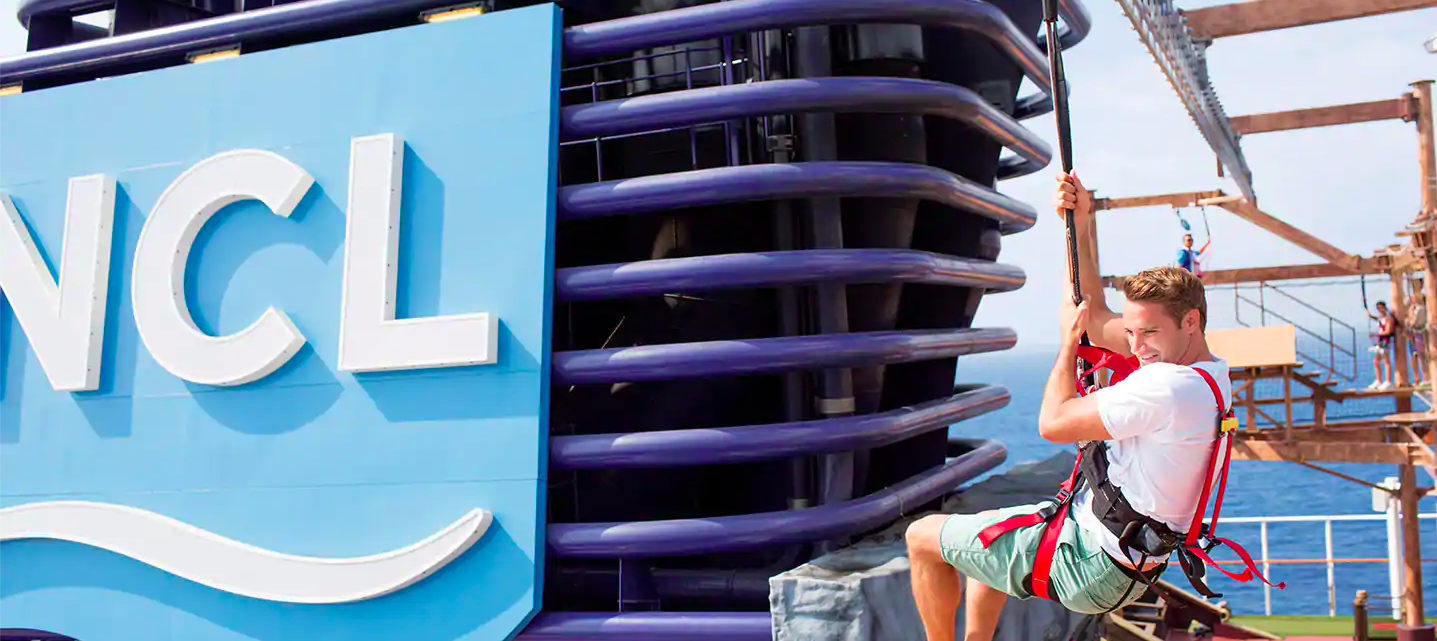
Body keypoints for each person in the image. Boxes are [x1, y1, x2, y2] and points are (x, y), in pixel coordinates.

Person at [905, 172, 1234, 641]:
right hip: (1131, 563)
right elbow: (1091, 316)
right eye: (1132, 331)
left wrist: (1065, 349)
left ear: (1191, 321)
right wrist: (1078, 224)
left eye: (1149, 333)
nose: (1136, 347)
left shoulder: (1164, 386)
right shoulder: (1210, 376)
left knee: (921, 537)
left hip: (1088, 561)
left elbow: (1053, 422)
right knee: (985, 549)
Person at [1367, 301, 1398, 390]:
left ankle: (1388, 381)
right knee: (1376, 361)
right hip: (1380, 341)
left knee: (1386, 361)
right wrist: (1369, 315)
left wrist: (1375, 335)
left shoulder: (1388, 318)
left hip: (1386, 341)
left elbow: (1387, 331)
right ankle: (1378, 380)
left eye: (1381, 307)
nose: (1380, 310)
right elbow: (1376, 319)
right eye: (1378, 308)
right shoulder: (1381, 318)